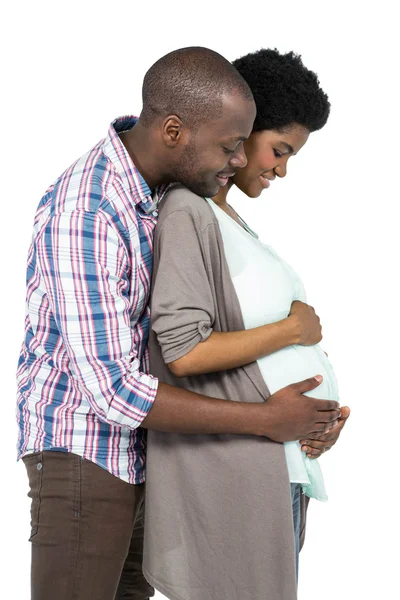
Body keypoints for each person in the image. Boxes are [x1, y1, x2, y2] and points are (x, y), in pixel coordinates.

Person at [16, 46, 340, 600]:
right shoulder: (86, 211)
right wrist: (266, 420)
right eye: (230, 145)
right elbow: (114, 390)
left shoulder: (168, 185)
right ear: (173, 130)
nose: (238, 161)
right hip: (85, 449)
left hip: (154, 454)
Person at [143, 49, 350, 600]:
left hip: (277, 465)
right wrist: (294, 331)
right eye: (279, 150)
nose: (281, 169)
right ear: (240, 129)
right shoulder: (188, 210)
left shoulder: (232, 220)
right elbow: (183, 351)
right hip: (237, 471)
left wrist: (321, 417)